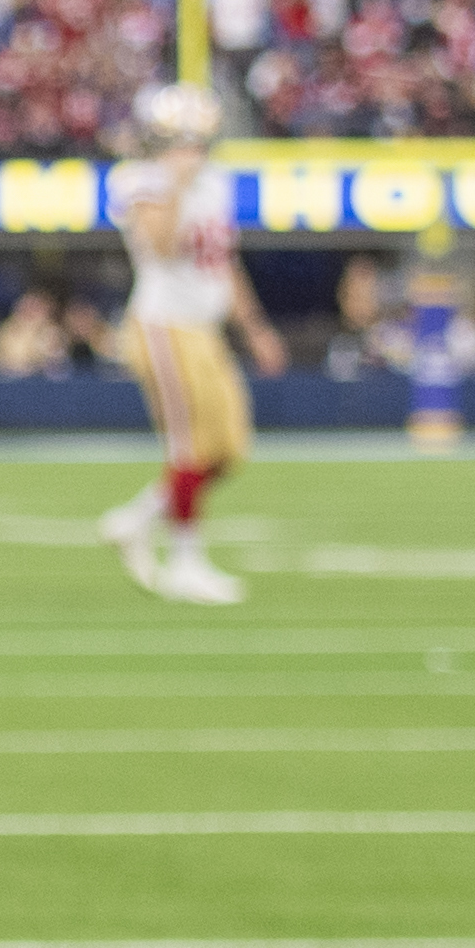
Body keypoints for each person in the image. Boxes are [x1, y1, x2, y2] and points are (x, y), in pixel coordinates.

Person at [99, 81, 281, 604]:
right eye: (180, 141)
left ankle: (138, 520)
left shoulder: (215, 184)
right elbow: (161, 246)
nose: (191, 152)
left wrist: (255, 328)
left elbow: (222, 264)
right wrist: (175, 185)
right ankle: (184, 561)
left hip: (205, 328)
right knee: (189, 446)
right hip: (161, 325)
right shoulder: (141, 182)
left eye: (197, 141)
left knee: (228, 450)